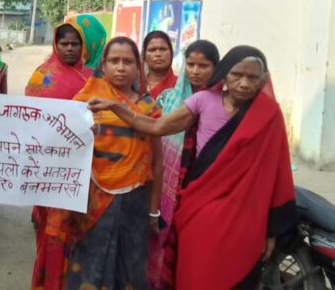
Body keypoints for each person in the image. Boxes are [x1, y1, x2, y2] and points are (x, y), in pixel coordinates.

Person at [88, 46, 296, 290]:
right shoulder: (203, 100)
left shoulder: (269, 115)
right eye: (237, 75)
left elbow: (278, 173)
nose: (243, 83)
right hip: (201, 208)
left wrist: (272, 231)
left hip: (247, 220)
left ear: (263, 80)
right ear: (224, 75)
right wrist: (115, 106)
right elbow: (156, 127)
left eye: (252, 77)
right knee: (196, 275)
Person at [64, 37, 163, 289]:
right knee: (90, 261)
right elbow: (65, 153)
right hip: (92, 199)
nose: (121, 67)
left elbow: (157, 161)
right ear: (103, 65)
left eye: (128, 61)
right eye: (114, 61)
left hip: (135, 199)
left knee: (130, 264)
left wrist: (154, 209)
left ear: (138, 67)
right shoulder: (84, 103)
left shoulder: (148, 107)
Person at [27, 15, 106, 290]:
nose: (70, 48)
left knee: (79, 231)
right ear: (56, 44)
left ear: (83, 46)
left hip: (84, 168)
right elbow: (28, 121)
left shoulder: (94, 79)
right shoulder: (41, 77)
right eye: (64, 43)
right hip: (49, 167)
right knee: (52, 231)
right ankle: (48, 282)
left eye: (75, 44)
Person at [148, 40, 220, 289]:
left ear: (216, 67)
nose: (195, 71)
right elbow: (156, 139)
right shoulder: (169, 99)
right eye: (190, 64)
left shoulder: (223, 103)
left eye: (203, 65)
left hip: (201, 183)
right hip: (169, 185)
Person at [143, 30, 178, 100]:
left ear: (171, 54)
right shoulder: (135, 85)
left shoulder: (181, 85)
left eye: (163, 49)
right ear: (144, 56)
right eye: (152, 50)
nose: (158, 54)